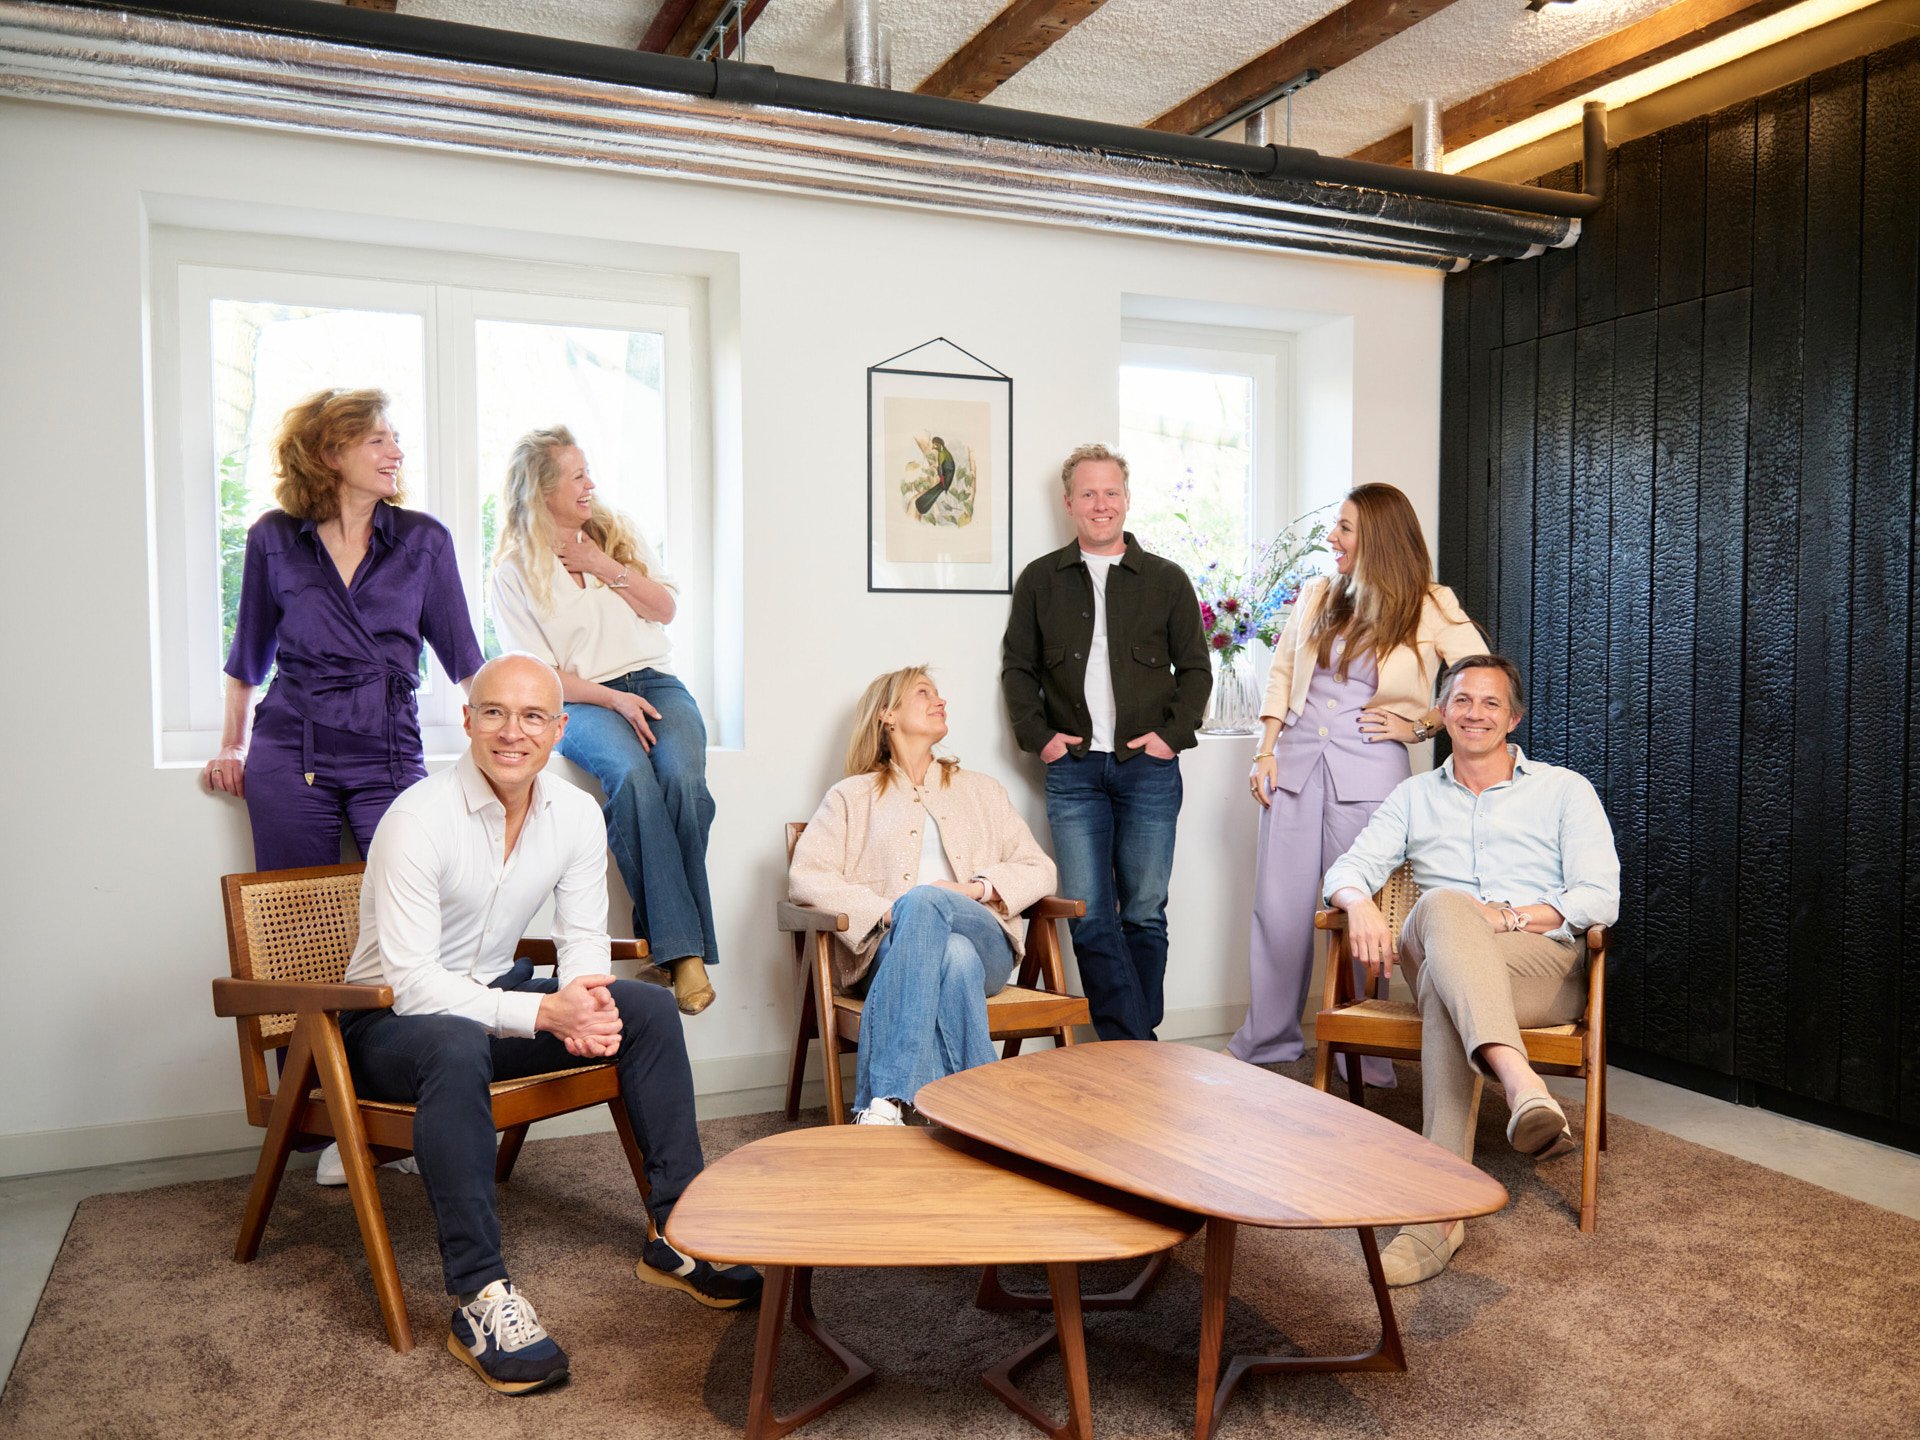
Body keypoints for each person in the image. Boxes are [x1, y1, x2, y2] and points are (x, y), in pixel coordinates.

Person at [341, 653, 761, 1395]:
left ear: (559, 728)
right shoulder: (415, 820)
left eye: (533, 716)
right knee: (453, 1040)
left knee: (647, 1005)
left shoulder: (573, 813)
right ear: (467, 720)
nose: (514, 732)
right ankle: (480, 1296)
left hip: (491, 1006)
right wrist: (544, 1011)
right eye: (495, 713)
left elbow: (582, 940)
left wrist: (587, 1003)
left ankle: (679, 1231)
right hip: (388, 1028)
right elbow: (410, 985)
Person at [1322, 654, 1619, 1287]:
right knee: (1441, 905)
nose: (1474, 713)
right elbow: (1348, 869)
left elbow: (1600, 898)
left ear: (1513, 718)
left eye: (1490, 703)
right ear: (1442, 713)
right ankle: (1521, 1084)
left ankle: (1437, 1218)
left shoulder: (1565, 790)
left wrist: (1506, 918)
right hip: (1437, 943)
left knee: (1444, 987)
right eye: (1461, 700)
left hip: (1541, 965)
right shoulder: (1413, 796)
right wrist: (1359, 905)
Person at [1230, 483, 1485, 1079]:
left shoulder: (1430, 603)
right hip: (1294, 768)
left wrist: (1422, 725)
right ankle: (1267, 1041)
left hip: (1371, 774)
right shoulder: (1318, 594)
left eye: (1344, 528)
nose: (1332, 539)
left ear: (1377, 537)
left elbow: (1479, 674)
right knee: (1278, 909)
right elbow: (1282, 673)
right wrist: (1264, 751)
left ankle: (1364, 1053)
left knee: (1364, 913)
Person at [490, 426, 719, 1017]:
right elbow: (539, 673)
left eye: (588, 472)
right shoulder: (515, 572)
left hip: (656, 681)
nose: (590, 484)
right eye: (577, 476)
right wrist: (613, 701)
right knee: (631, 777)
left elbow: (665, 610)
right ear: (542, 490)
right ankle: (685, 954)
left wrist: (600, 562)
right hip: (582, 700)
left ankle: (670, 946)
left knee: (683, 781)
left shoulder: (615, 534)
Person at [204, 387, 484, 868]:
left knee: (410, 891)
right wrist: (232, 745)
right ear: (330, 454)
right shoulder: (272, 536)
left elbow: (467, 663)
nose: (397, 453)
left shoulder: (425, 540)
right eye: (378, 441)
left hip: (389, 747)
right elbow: (248, 656)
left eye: (395, 440)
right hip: (291, 748)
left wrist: (507, 737)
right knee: (298, 906)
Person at [1000, 444, 1210, 1042]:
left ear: (1127, 499)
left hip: (1149, 769)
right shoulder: (1040, 580)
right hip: (1073, 772)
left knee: (1144, 911)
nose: (1101, 504)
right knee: (1089, 915)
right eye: (1088, 493)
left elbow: (1197, 671)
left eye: (1111, 492)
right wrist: (1040, 739)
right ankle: (1138, 1048)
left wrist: (1171, 737)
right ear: (1069, 503)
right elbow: (1018, 670)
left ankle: (1129, 1048)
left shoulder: (1166, 580)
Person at [789, 667, 1057, 1124]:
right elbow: (807, 878)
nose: (940, 700)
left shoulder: (982, 791)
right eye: (923, 692)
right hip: (888, 950)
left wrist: (973, 889)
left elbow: (1040, 868)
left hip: (986, 942)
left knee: (927, 902)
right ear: (887, 715)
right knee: (953, 955)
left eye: (939, 693)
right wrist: (887, 912)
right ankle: (979, 1114)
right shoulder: (851, 797)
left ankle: (885, 1098)